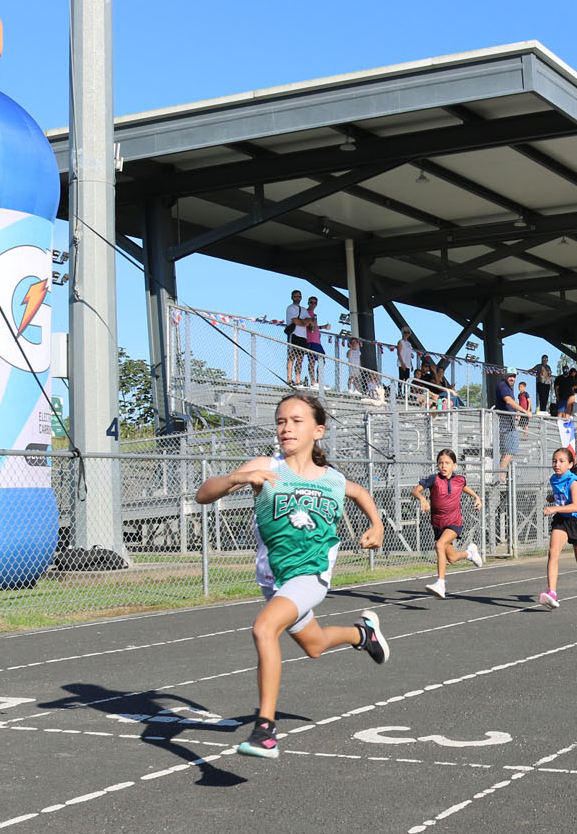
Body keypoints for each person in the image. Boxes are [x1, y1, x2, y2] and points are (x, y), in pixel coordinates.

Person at [194, 394, 388, 759]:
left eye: (296, 421)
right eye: (281, 421)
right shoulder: (266, 467)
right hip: (275, 582)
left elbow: (360, 492)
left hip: (311, 576)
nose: (286, 428)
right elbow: (203, 494)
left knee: (264, 628)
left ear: (318, 430)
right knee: (313, 646)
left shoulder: (332, 479)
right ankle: (363, 633)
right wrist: (240, 477)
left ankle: (265, 730)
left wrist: (376, 524)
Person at [414, 449, 484, 599]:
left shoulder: (459, 480)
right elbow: (415, 491)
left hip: (454, 522)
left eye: (447, 463)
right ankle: (470, 554)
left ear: (454, 465)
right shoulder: (433, 479)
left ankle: (440, 583)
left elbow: (464, 487)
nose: (443, 466)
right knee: (451, 558)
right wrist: (422, 498)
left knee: (439, 545)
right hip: (438, 523)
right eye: (440, 463)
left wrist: (477, 497)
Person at [538, 447, 577, 609]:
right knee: (553, 552)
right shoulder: (554, 479)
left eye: (561, 461)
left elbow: (575, 506)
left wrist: (553, 508)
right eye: (554, 461)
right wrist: (553, 497)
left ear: (570, 464)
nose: (557, 464)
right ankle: (552, 592)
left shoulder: (573, 482)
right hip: (561, 520)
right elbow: (562, 497)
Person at [494, 370, 531, 481]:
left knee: (507, 450)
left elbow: (510, 404)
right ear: (505, 375)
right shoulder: (503, 385)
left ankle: (501, 473)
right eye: (510, 376)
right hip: (504, 422)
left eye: (514, 376)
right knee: (511, 449)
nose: (512, 378)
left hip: (508, 421)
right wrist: (524, 411)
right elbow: (508, 401)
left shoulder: (508, 387)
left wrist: (516, 413)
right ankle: (501, 475)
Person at [284, 289, 310, 384]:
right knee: (292, 357)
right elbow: (295, 321)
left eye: (299, 296)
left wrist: (303, 322)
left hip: (303, 336)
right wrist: (303, 322)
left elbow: (310, 321)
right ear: (292, 297)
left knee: (300, 358)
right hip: (294, 334)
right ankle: (289, 378)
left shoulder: (303, 309)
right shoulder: (290, 308)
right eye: (295, 296)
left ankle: (298, 379)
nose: (297, 298)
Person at [303, 297, 328, 388]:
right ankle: (313, 381)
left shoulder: (314, 315)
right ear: (308, 303)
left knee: (322, 361)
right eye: (311, 302)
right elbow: (307, 326)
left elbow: (314, 327)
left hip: (317, 341)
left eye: (315, 303)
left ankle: (318, 381)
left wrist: (323, 327)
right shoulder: (305, 313)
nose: (313, 304)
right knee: (312, 361)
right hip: (310, 340)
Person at [396, 327, 416, 399]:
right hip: (402, 362)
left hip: (408, 363)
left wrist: (411, 363)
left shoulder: (409, 344)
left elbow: (409, 354)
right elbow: (399, 353)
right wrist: (402, 363)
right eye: (405, 332)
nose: (406, 334)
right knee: (401, 379)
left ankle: (405, 393)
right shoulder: (400, 342)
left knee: (407, 379)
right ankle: (399, 393)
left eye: (407, 333)